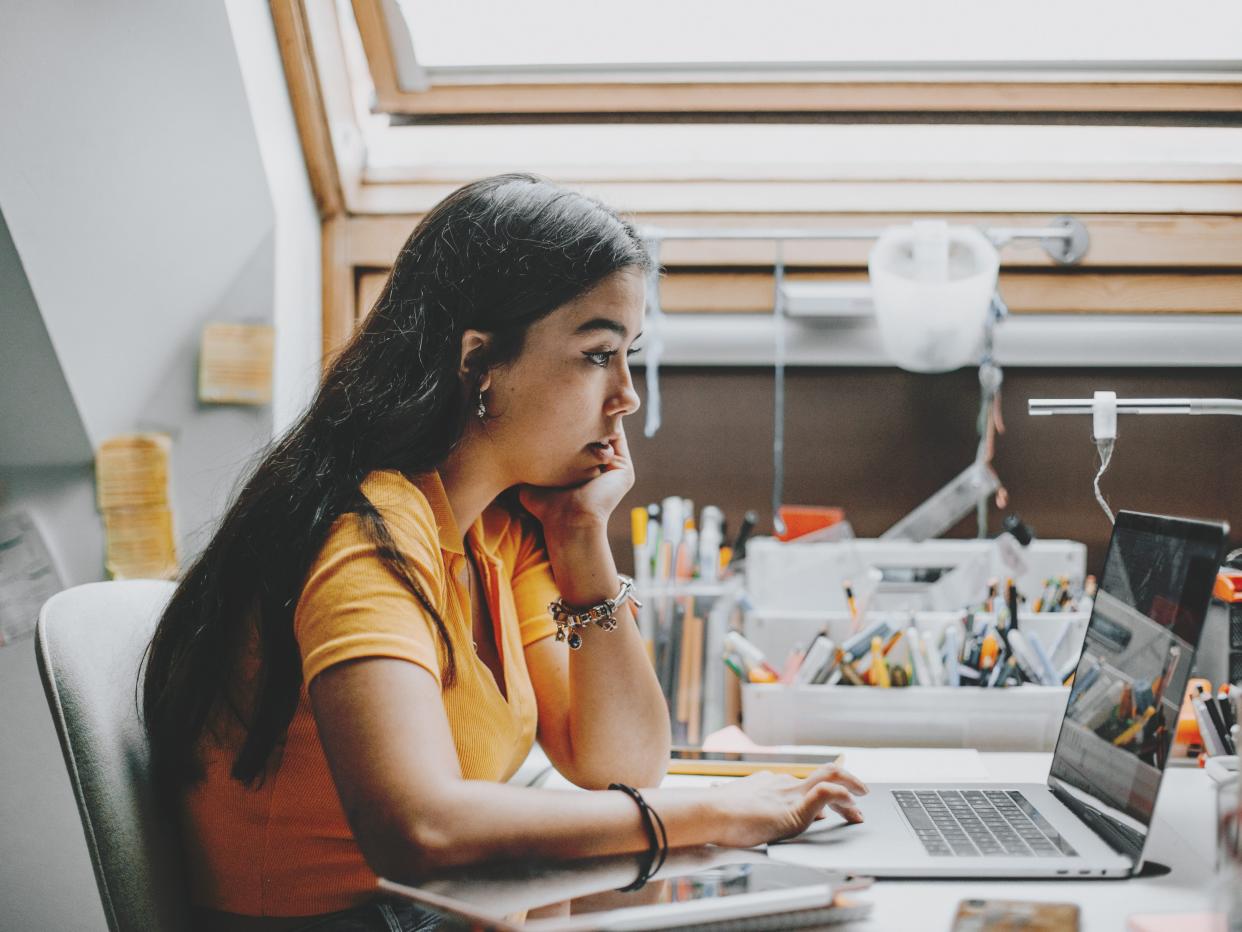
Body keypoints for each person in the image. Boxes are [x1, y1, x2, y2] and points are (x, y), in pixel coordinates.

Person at [142, 173, 867, 932]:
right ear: (480, 363)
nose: (627, 396)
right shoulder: (367, 532)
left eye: (630, 357)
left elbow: (618, 764)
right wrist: (714, 813)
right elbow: (421, 829)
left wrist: (582, 538)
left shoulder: (497, 527)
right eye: (597, 355)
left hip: (435, 915)